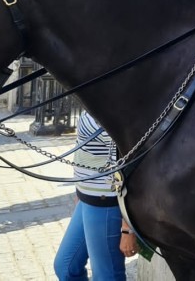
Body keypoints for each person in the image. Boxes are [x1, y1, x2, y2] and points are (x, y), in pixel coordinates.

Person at [54, 111, 138, 280]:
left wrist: (128, 229)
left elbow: (132, 167)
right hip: (86, 199)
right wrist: (79, 190)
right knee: (66, 267)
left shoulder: (118, 103)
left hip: (106, 203)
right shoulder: (93, 96)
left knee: (106, 276)